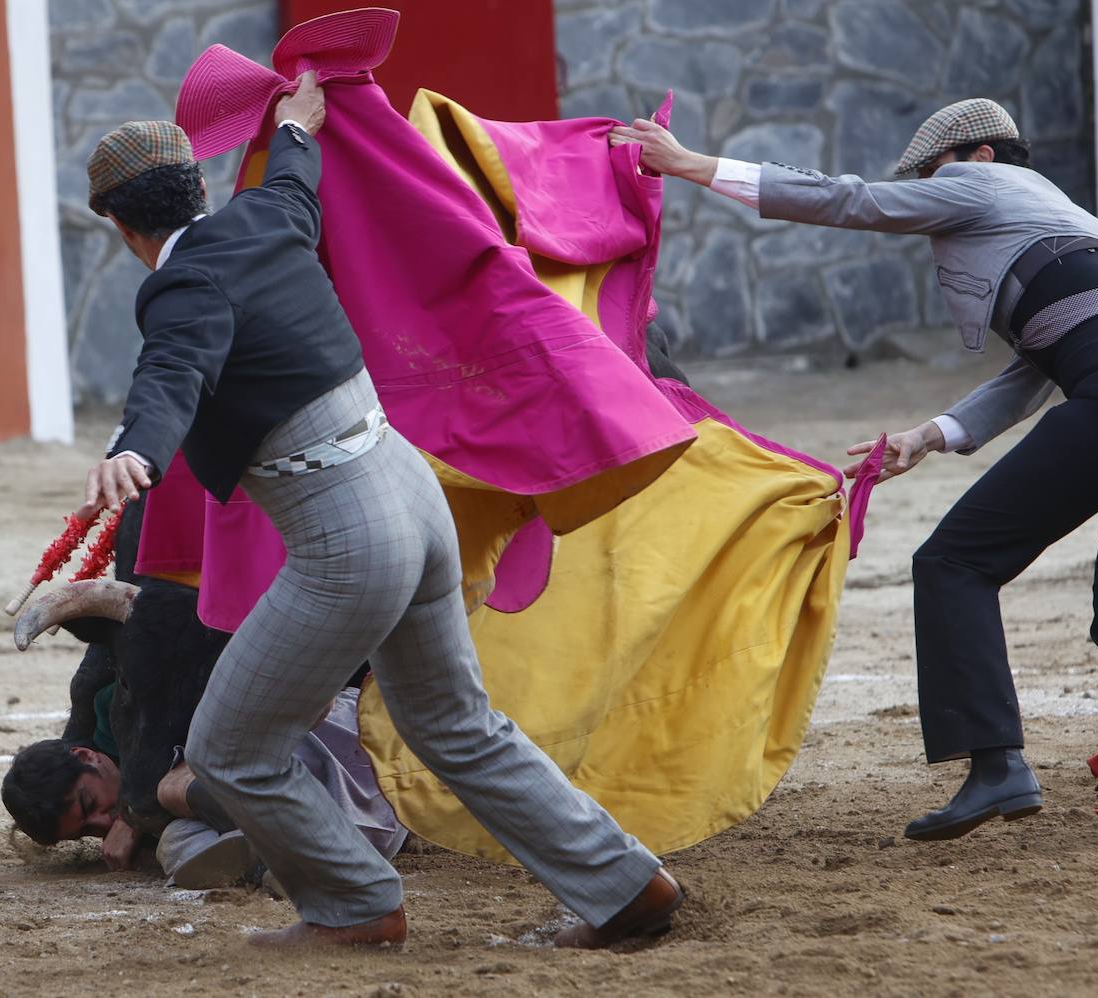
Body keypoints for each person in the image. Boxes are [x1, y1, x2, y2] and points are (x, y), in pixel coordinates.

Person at [72, 71, 683, 948]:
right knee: (456, 726)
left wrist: (134, 449)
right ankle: (629, 887)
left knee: (230, 750)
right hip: (411, 494)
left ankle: (355, 905)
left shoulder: (178, 287)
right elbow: (294, 177)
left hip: (349, 539)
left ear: (122, 227)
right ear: (200, 188)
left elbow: (174, 371)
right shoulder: (266, 215)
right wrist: (295, 127)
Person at [611, 98, 1098, 841]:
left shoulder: (986, 186)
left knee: (955, 561)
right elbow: (1035, 371)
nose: (926, 191)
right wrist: (931, 435)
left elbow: (852, 199)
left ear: (982, 156)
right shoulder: (1070, 224)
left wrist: (692, 166)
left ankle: (997, 767)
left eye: (934, 173)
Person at [1, 687, 406, 888]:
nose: (102, 821)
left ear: (88, 757)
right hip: (365, 822)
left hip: (356, 751)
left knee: (174, 790)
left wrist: (136, 808)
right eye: (86, 831)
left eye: (90, 802)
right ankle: (280, 863)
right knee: (176, 840)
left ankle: (297, 852)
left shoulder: (123, 702)